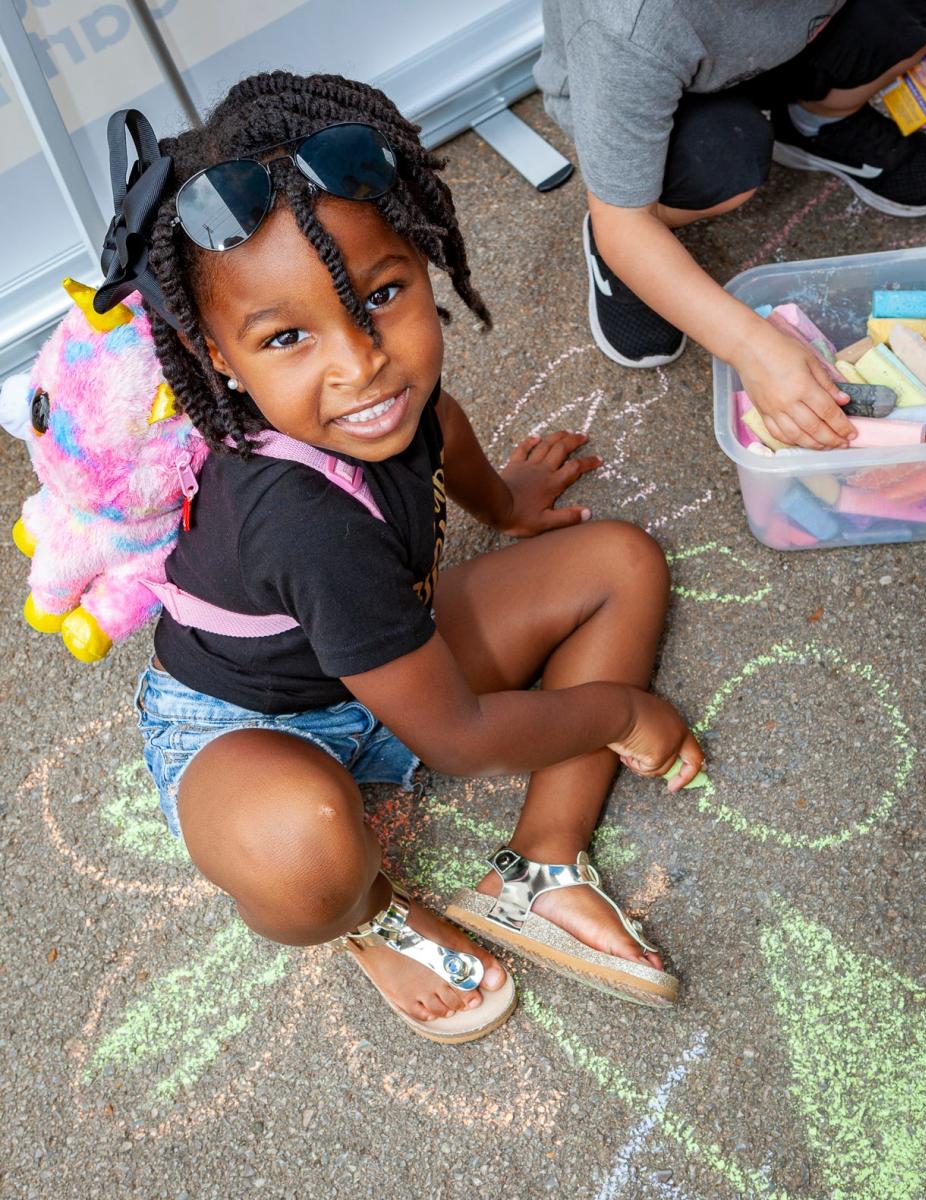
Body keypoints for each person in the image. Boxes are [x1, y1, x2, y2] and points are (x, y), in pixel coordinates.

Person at [104, 72, 703, 1044]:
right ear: (216, 354)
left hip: (389, 662)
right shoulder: (299, 521)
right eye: (288, 336)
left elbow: (445, 425)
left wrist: (506, 507)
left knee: (621, 566)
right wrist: (628, 712)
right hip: (247, 731)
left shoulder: (387, 400)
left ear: (419, 261)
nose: (361, 361)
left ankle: (542, 867)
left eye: (381, 294)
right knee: (306, 851)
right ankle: (365, 915)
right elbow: (461, 736)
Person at [535, 0, 926, 449]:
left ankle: (816, 122)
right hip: (655, 102)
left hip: (784, 45)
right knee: (721, 165)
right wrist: (752, 348)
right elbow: (625, 223)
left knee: (908, 11)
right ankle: (629, 256)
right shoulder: (630, 27)